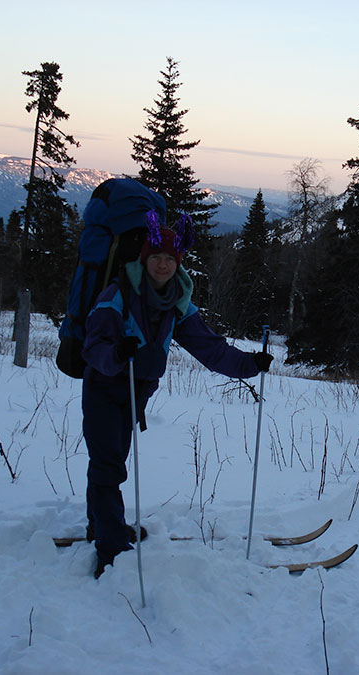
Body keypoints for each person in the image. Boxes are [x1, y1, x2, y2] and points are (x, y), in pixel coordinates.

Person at [81, 211, 272, 578]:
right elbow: (94, 348)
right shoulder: (117, 294)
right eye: (156, 257)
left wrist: (251, 364)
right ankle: (110, 547)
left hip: (138, 390)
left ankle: (102, 525)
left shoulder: (178, 302)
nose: (163, 264)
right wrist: (117, 355)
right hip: (103, 387)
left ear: (178, 261)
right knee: (108, 465)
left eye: (170, 258)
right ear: (145, 259)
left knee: (111, 458)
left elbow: (210, 349)